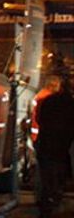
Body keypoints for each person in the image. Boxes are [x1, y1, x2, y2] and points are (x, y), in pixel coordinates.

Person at [35, 72, 74, 217]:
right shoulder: (71, 104)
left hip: (46, 143)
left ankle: (46, 205)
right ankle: (56, 198)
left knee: (46, 177)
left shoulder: (48, 101)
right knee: (59, 174)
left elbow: (40, 119)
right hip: (62, 146)